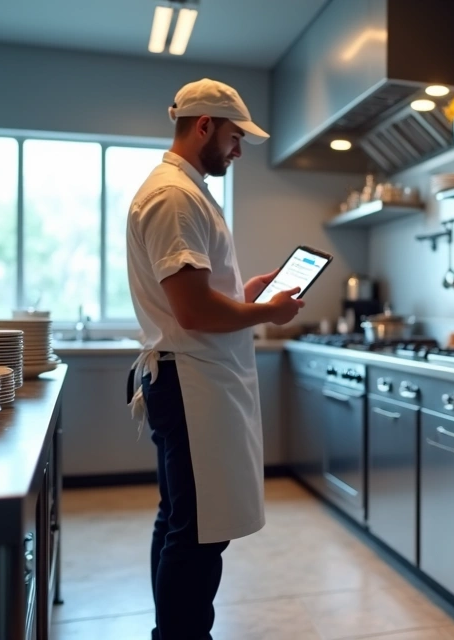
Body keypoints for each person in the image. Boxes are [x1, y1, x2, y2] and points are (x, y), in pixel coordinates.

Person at [124, 77, 305, 640]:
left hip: (189, 379)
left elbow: (198, 301)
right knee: (199, 531)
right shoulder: (175, 196)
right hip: (190, 384)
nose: (238, 149)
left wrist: (246, 295)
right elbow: (195, 312)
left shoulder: (186, 189)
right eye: (233, 136)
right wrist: (268, 315)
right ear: (204, 125)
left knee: (183, 520)